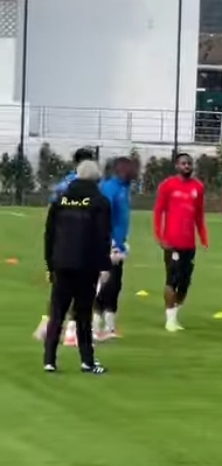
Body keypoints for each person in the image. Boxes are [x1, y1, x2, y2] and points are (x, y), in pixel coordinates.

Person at [43, 160, 112, 374]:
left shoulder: (60, 199)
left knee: (57, 312)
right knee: (83, 314)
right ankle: (86, 361)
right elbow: (102, 237)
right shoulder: (99, 201)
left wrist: (50, 264)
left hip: (61, 262)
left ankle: (49, 360)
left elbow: (49, 234)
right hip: (86, 265)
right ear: (96, 178)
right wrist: (104, 265)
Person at [35, 147, 98, 344]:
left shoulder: (64, 184)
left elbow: (52, 209)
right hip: (82, 242)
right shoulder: (89, 185)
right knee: (82, 290)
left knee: (59, 290)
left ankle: (47, 325)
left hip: (62, 241)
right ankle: (72, 331)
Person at [153, 153, 209, 332]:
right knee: (172, 279)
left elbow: (199, 214)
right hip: (171, 242)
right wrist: (159, 237)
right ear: (177, 166)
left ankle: (175, 316)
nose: (187, 166)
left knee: (185, 283)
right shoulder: (167, 185)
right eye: (183, 163)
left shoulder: (198, 187)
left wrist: (203, 237)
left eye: (189, 163)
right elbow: (158, 211)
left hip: (189, 244)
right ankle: (169, 319)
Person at [93, 157, 136, 341]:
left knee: (115, 285)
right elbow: (102, 215)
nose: (134, 171)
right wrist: (109, 243)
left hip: (119, 244)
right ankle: (94, 327)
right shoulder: (109, 187)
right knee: (104, 285)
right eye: (130, 168)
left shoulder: (124, 188)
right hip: (107, 244)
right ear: (120, 169)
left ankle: (110, 327)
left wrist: (122, 242)